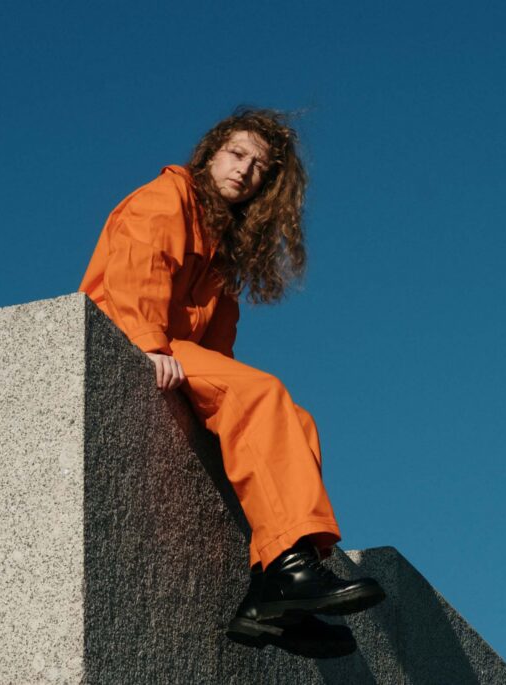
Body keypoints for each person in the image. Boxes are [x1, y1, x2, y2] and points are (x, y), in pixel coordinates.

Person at [78, 108, 385, 657]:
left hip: (182, 352)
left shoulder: (221, 241)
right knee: (263, 393)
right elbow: (138, 267)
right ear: (212, 154)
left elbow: (219, 347)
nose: (245, 170)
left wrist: (219, 400)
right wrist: (148, 343)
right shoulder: (168, 196)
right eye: (237, 155)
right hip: (131, 329)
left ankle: (275, 592)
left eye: (259, 167)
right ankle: (287, 570)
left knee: (296, 420)